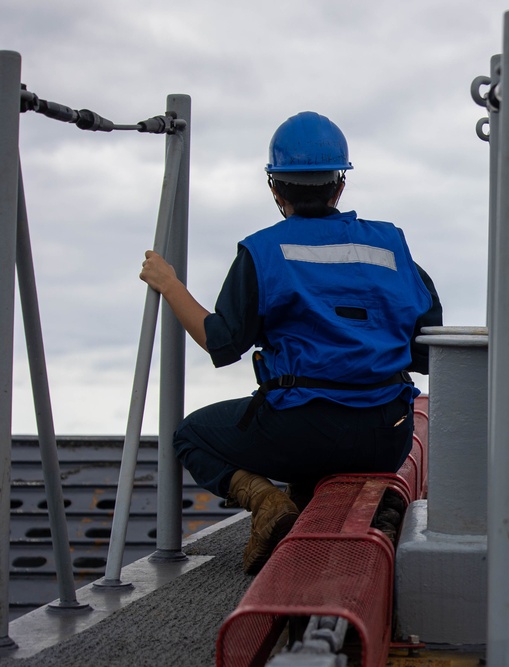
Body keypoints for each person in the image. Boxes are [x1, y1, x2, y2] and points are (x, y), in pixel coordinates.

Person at [139, 111, 442, 574]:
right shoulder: (391, 246)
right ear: (340, 186)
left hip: (302, 433)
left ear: (275, 188)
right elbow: (425, 349)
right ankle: (303, 499)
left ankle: (267, 504)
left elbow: (220, 342)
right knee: (314, 432)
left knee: (191, 434)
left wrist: (169, 284)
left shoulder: (262, 252)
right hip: (386, 436)